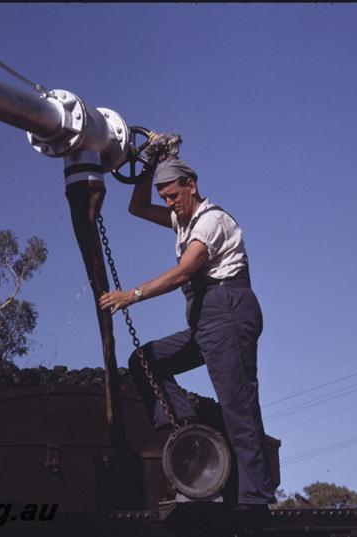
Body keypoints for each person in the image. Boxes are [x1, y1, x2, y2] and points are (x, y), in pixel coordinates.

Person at [98, 135, 277, 510]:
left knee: (238, 408)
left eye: (174, 196)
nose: (169, 204)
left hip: (228, 310)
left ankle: (255, 500)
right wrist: (148, 165)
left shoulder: (211, 221)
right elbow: (136, 207)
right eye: (164, 199)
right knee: (145, 360)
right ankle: (187, 424)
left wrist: (131, 295)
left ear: (191, 185)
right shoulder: (183, 221)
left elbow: (184, 272)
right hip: (206, 321)